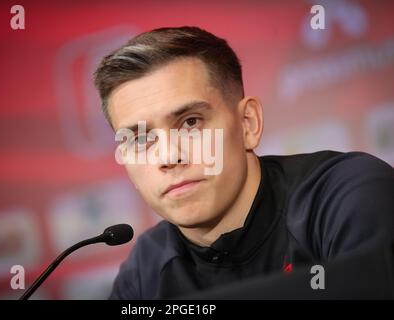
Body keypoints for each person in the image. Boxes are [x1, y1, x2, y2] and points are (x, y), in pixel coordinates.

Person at [93, 26, 394, 299]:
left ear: (248, 123)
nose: (169, 157)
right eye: (140, 139)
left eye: (191, 122)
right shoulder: (145, 270)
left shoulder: (348, 197)